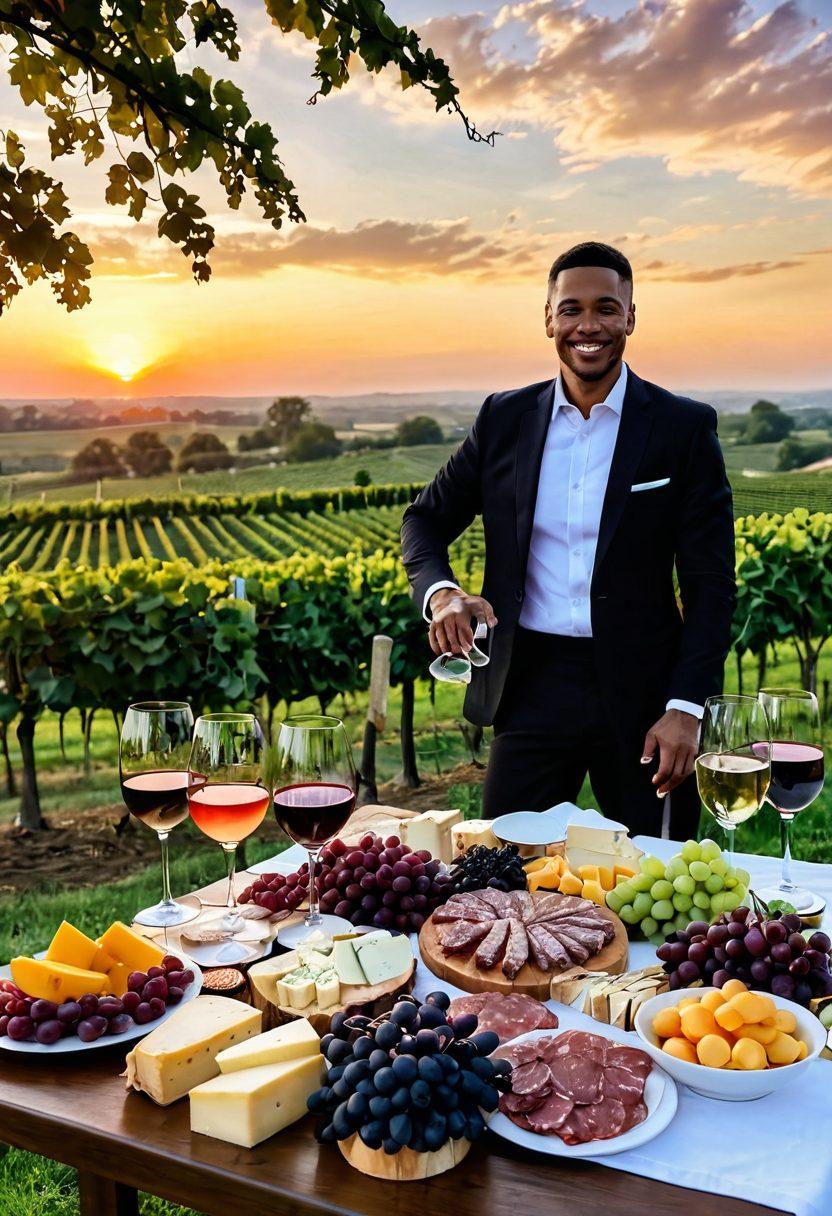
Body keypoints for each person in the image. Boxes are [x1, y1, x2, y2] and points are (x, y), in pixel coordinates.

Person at [400, 241, 736, 837]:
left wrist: (686, 707)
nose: (589, 325)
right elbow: (423, 520)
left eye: (606, 308)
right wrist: (443, 594)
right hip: (530, 682)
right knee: (501, 868)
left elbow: (711, 585)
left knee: (657, 874)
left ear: (630, 317)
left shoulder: (682, 428)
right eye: (571, 309)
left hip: (646, 695)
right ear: (549, 319)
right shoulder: (503, 420)